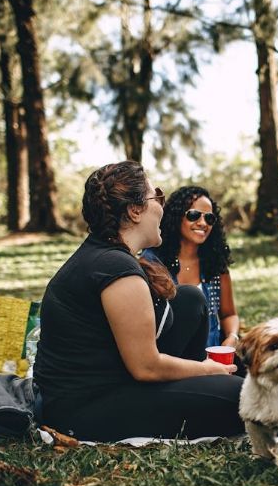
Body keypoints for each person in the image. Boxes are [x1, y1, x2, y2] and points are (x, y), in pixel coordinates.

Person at [34, 161, 244, 441]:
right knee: (244, 398)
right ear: (135, 211)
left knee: (190, 299)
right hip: (85, 407)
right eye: (156, 196)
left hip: (115, 379)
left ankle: (200, 387)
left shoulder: (108, 255)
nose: (162, 205)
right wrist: (206, 369)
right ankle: (205, 387)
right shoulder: (116, 269)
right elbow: (146, 367)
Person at [141, 186, 240, 350]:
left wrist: (232, 337)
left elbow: (229, 314)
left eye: (209, 218)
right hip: (170, 359)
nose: (202, 223)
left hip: (213, 358)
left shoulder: (215, 263)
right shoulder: (152, 262)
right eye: (194, 215)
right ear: (176, 217)